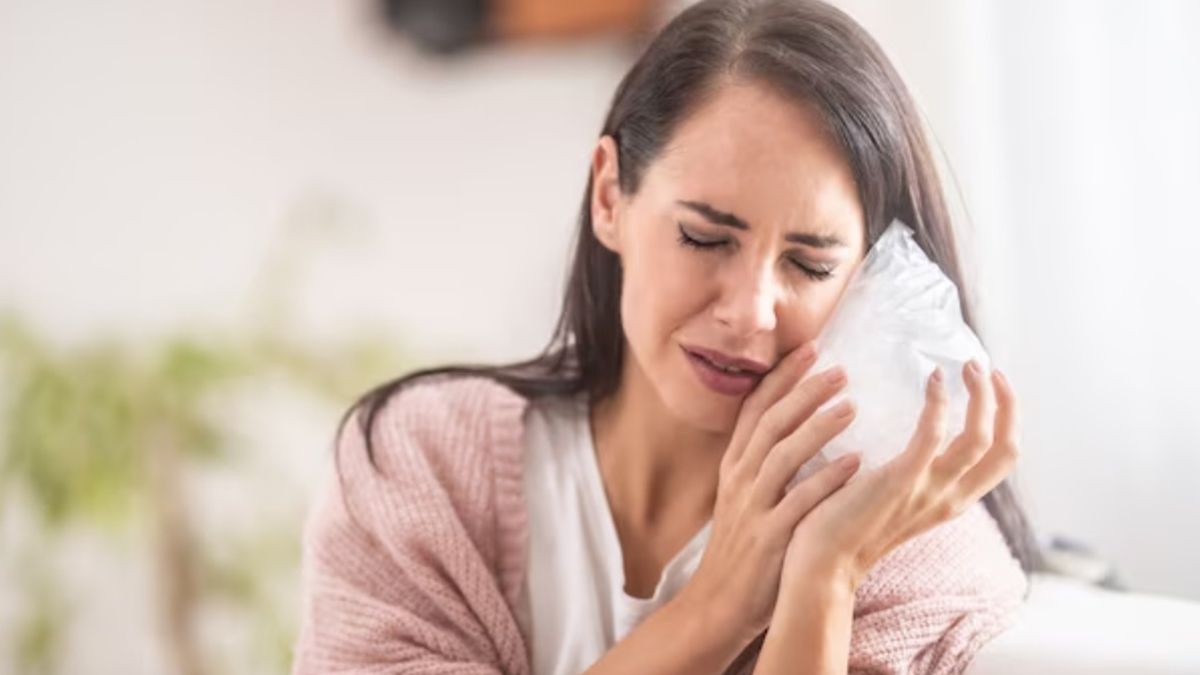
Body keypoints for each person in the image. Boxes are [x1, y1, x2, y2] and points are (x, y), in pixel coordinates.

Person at [292, 0, 1041, 672]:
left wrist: (828, 576)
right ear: (609, 196)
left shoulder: (912, 547)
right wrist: (718, 608)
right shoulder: (421, 470)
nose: (751, 312)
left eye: (810, 264)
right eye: (705, 237)